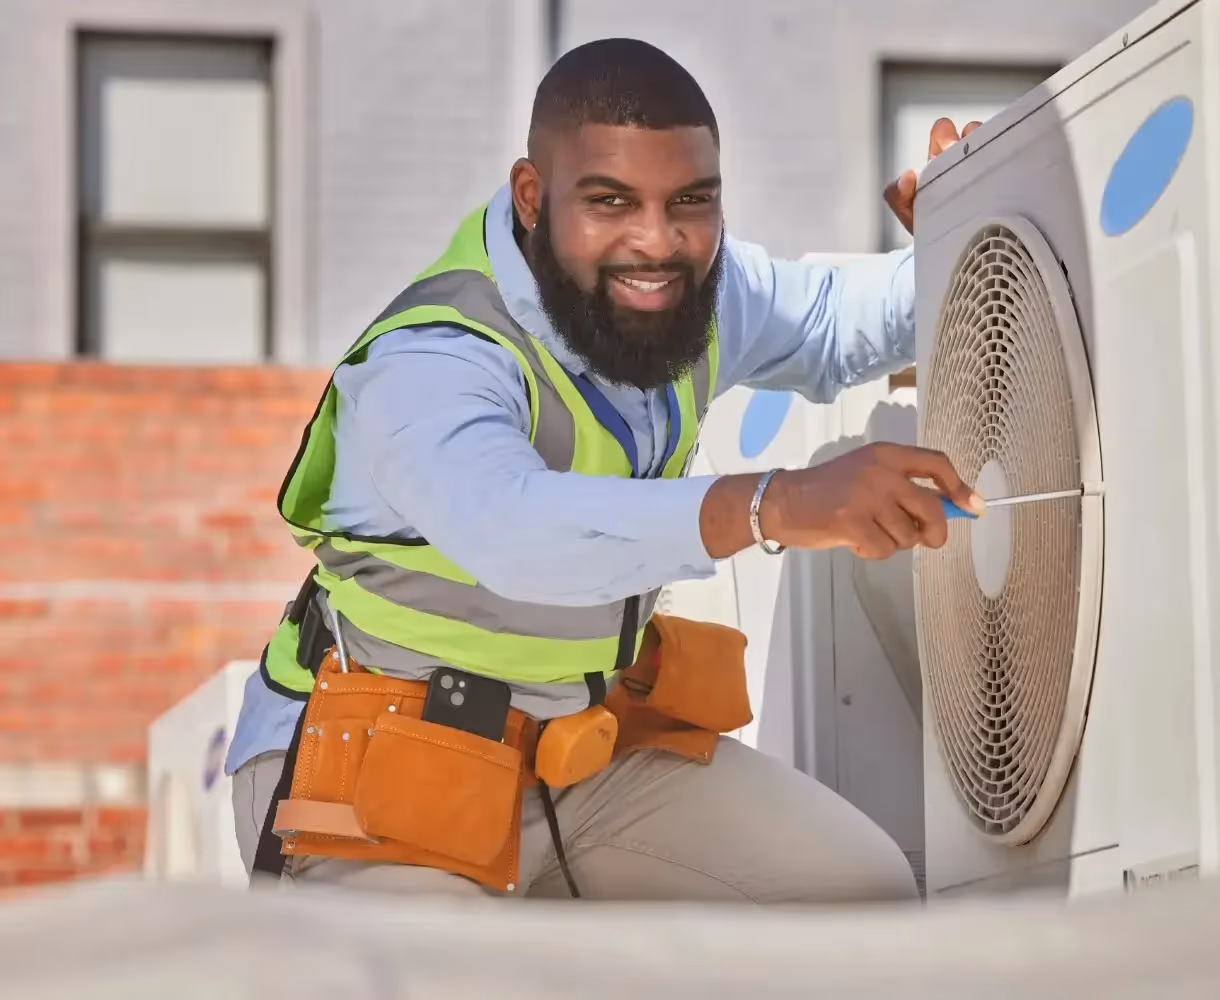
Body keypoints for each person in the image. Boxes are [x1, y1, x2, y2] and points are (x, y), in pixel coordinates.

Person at [226, 36, 984, 904]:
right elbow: (515, 532)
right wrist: (775, 504)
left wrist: (958, 235)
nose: (655, 244)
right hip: (374, 768)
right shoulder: (432, 359)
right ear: (531, 196)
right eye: (611, 201)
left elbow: (832, 322)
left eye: (690, 202)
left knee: (863, 894)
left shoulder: (701, 291)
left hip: (575, 757)